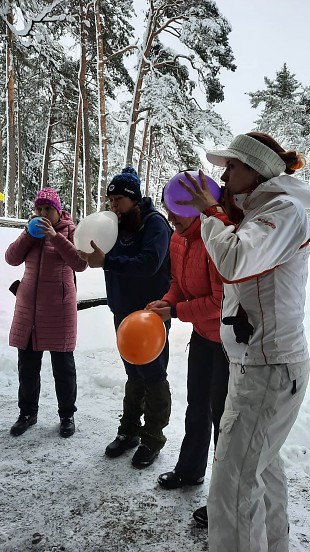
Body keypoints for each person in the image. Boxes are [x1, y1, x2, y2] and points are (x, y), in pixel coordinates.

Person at [177, 132, 310, 552]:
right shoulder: (266, 209)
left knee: (232, 488)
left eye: (232, 166)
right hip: (259, 362)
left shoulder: (285, 210)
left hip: (268, 367)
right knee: (261, 469)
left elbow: (235, 260)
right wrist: (226, 213)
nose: (223, 173)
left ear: (256, 170)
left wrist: (213, 214)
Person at [78, 167, 172, 469]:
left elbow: (149, 264)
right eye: (110, 201)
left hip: (150, 314)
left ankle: (152, 438)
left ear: (134, 199)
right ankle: (129, 431)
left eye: (118, 200)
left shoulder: (154, 224)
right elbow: (101, 252)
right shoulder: (116, 225)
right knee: (133, 372)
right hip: (122, 311)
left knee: (154, 375)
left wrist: (107, 261)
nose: (113, 207)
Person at [147, 205, 229, 490]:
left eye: (176, 212)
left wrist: (176, 311)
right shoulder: (177, 238)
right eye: (168, 211)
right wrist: (168, 301)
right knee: (197, 406)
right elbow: (177, 283)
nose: (170, 219)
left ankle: (223, 495)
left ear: (196, 211)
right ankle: (190, 470)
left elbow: (221, 303)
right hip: (202, 337)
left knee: (223, 417)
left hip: (228, 343)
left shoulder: (217, 239)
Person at [6, 187, 87, 438]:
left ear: (57, 211)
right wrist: (28, 236)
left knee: (63, 367)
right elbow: (11, 258)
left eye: (47, 209)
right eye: (38, 209)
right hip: (28, 309)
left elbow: (80, 263)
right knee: (27, 365)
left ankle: (67, 415)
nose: (42, 213)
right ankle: (27, 413)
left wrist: (55, 237)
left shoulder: (71, 230)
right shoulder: (30, 230)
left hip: (59, 309)